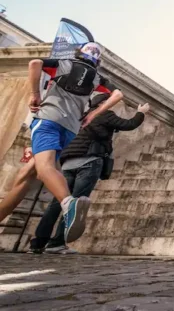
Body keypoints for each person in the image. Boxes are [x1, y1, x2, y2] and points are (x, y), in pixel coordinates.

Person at [0, 43, 123, 243]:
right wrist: (93, 114)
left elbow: (35, 63)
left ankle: (68, 204)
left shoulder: (64, 64)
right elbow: (118, 94)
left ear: (79, 53)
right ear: (97, 61)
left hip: (48, 120)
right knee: (26, 175)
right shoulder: (97, 78)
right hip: (70, 129)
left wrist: (35, 94)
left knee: (43, 169)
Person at [29, 97, 150, 254]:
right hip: (89, 160)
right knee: (76, 204)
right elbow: (129, 124)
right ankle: (56, 243)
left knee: (58, 202)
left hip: (68, 162)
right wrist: (140, 112)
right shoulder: (105, 114)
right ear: (102, 104)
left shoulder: (82, 115)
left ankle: (38, 242)